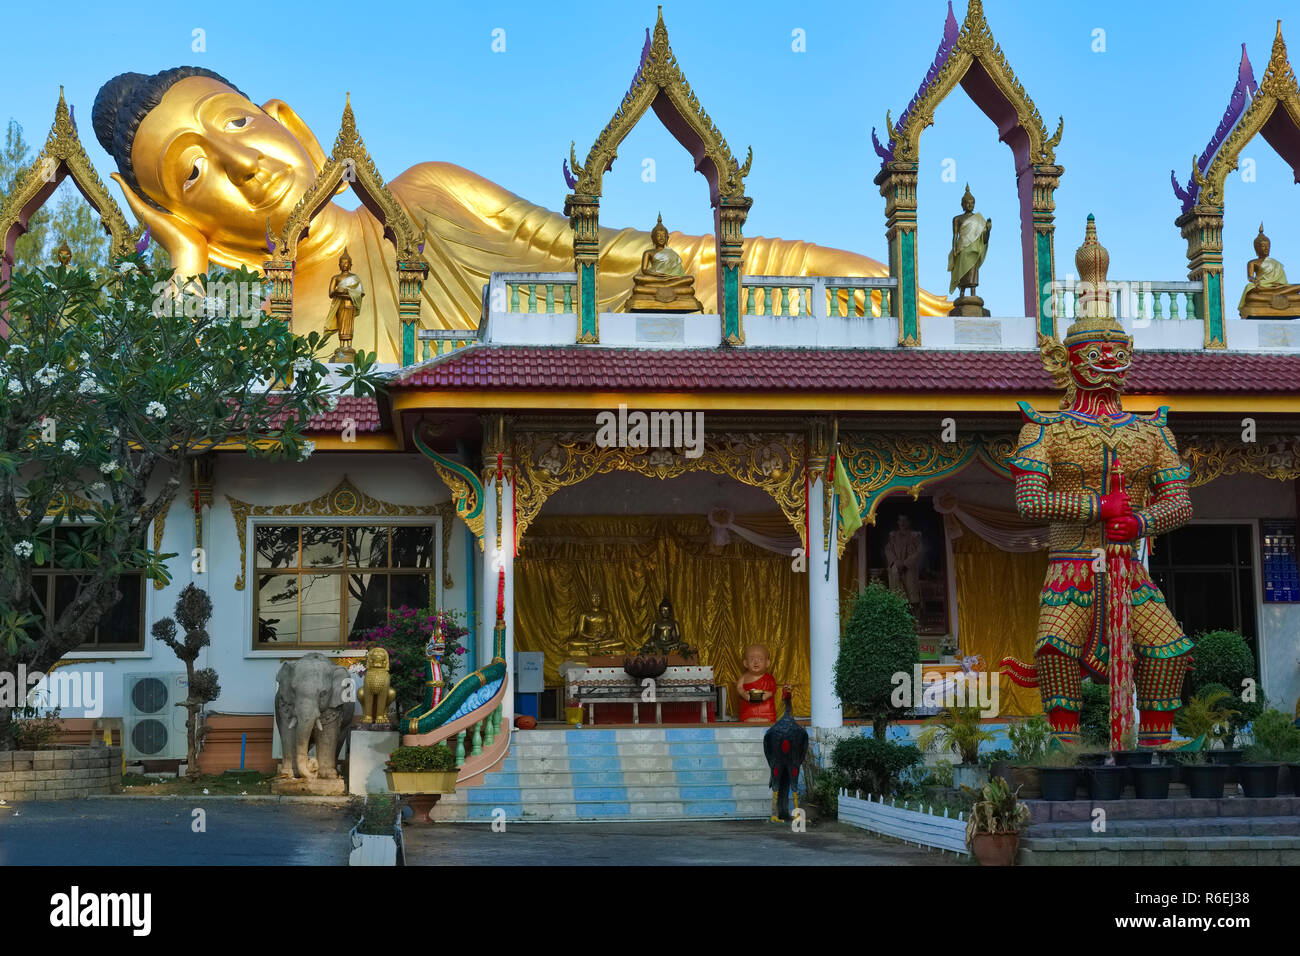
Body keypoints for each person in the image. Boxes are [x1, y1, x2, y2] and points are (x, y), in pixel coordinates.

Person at [92, 66, 953, 362]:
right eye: (195, 172)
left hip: (617, 346)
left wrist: (877, 285)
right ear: (182, 216)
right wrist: (185, 265)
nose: (244, 165)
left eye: (239, 124)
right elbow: (177, 408)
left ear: (292, 122)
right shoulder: (229, 320)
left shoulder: (422, 200)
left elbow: (625, 257)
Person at [735, 644, 776, 723]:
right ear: (745, 663)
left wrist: (766, 695)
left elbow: (773, 690)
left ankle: (765, 717)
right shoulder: (744, 677)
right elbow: (739, 688)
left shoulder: (769, 678)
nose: (756, 662)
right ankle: (749, 717)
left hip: (766, 709)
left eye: (760, 659)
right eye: (752, 659)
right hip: (748, 708)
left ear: (767, 663)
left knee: (768, 715)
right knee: (747, 714)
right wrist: (744, 694)